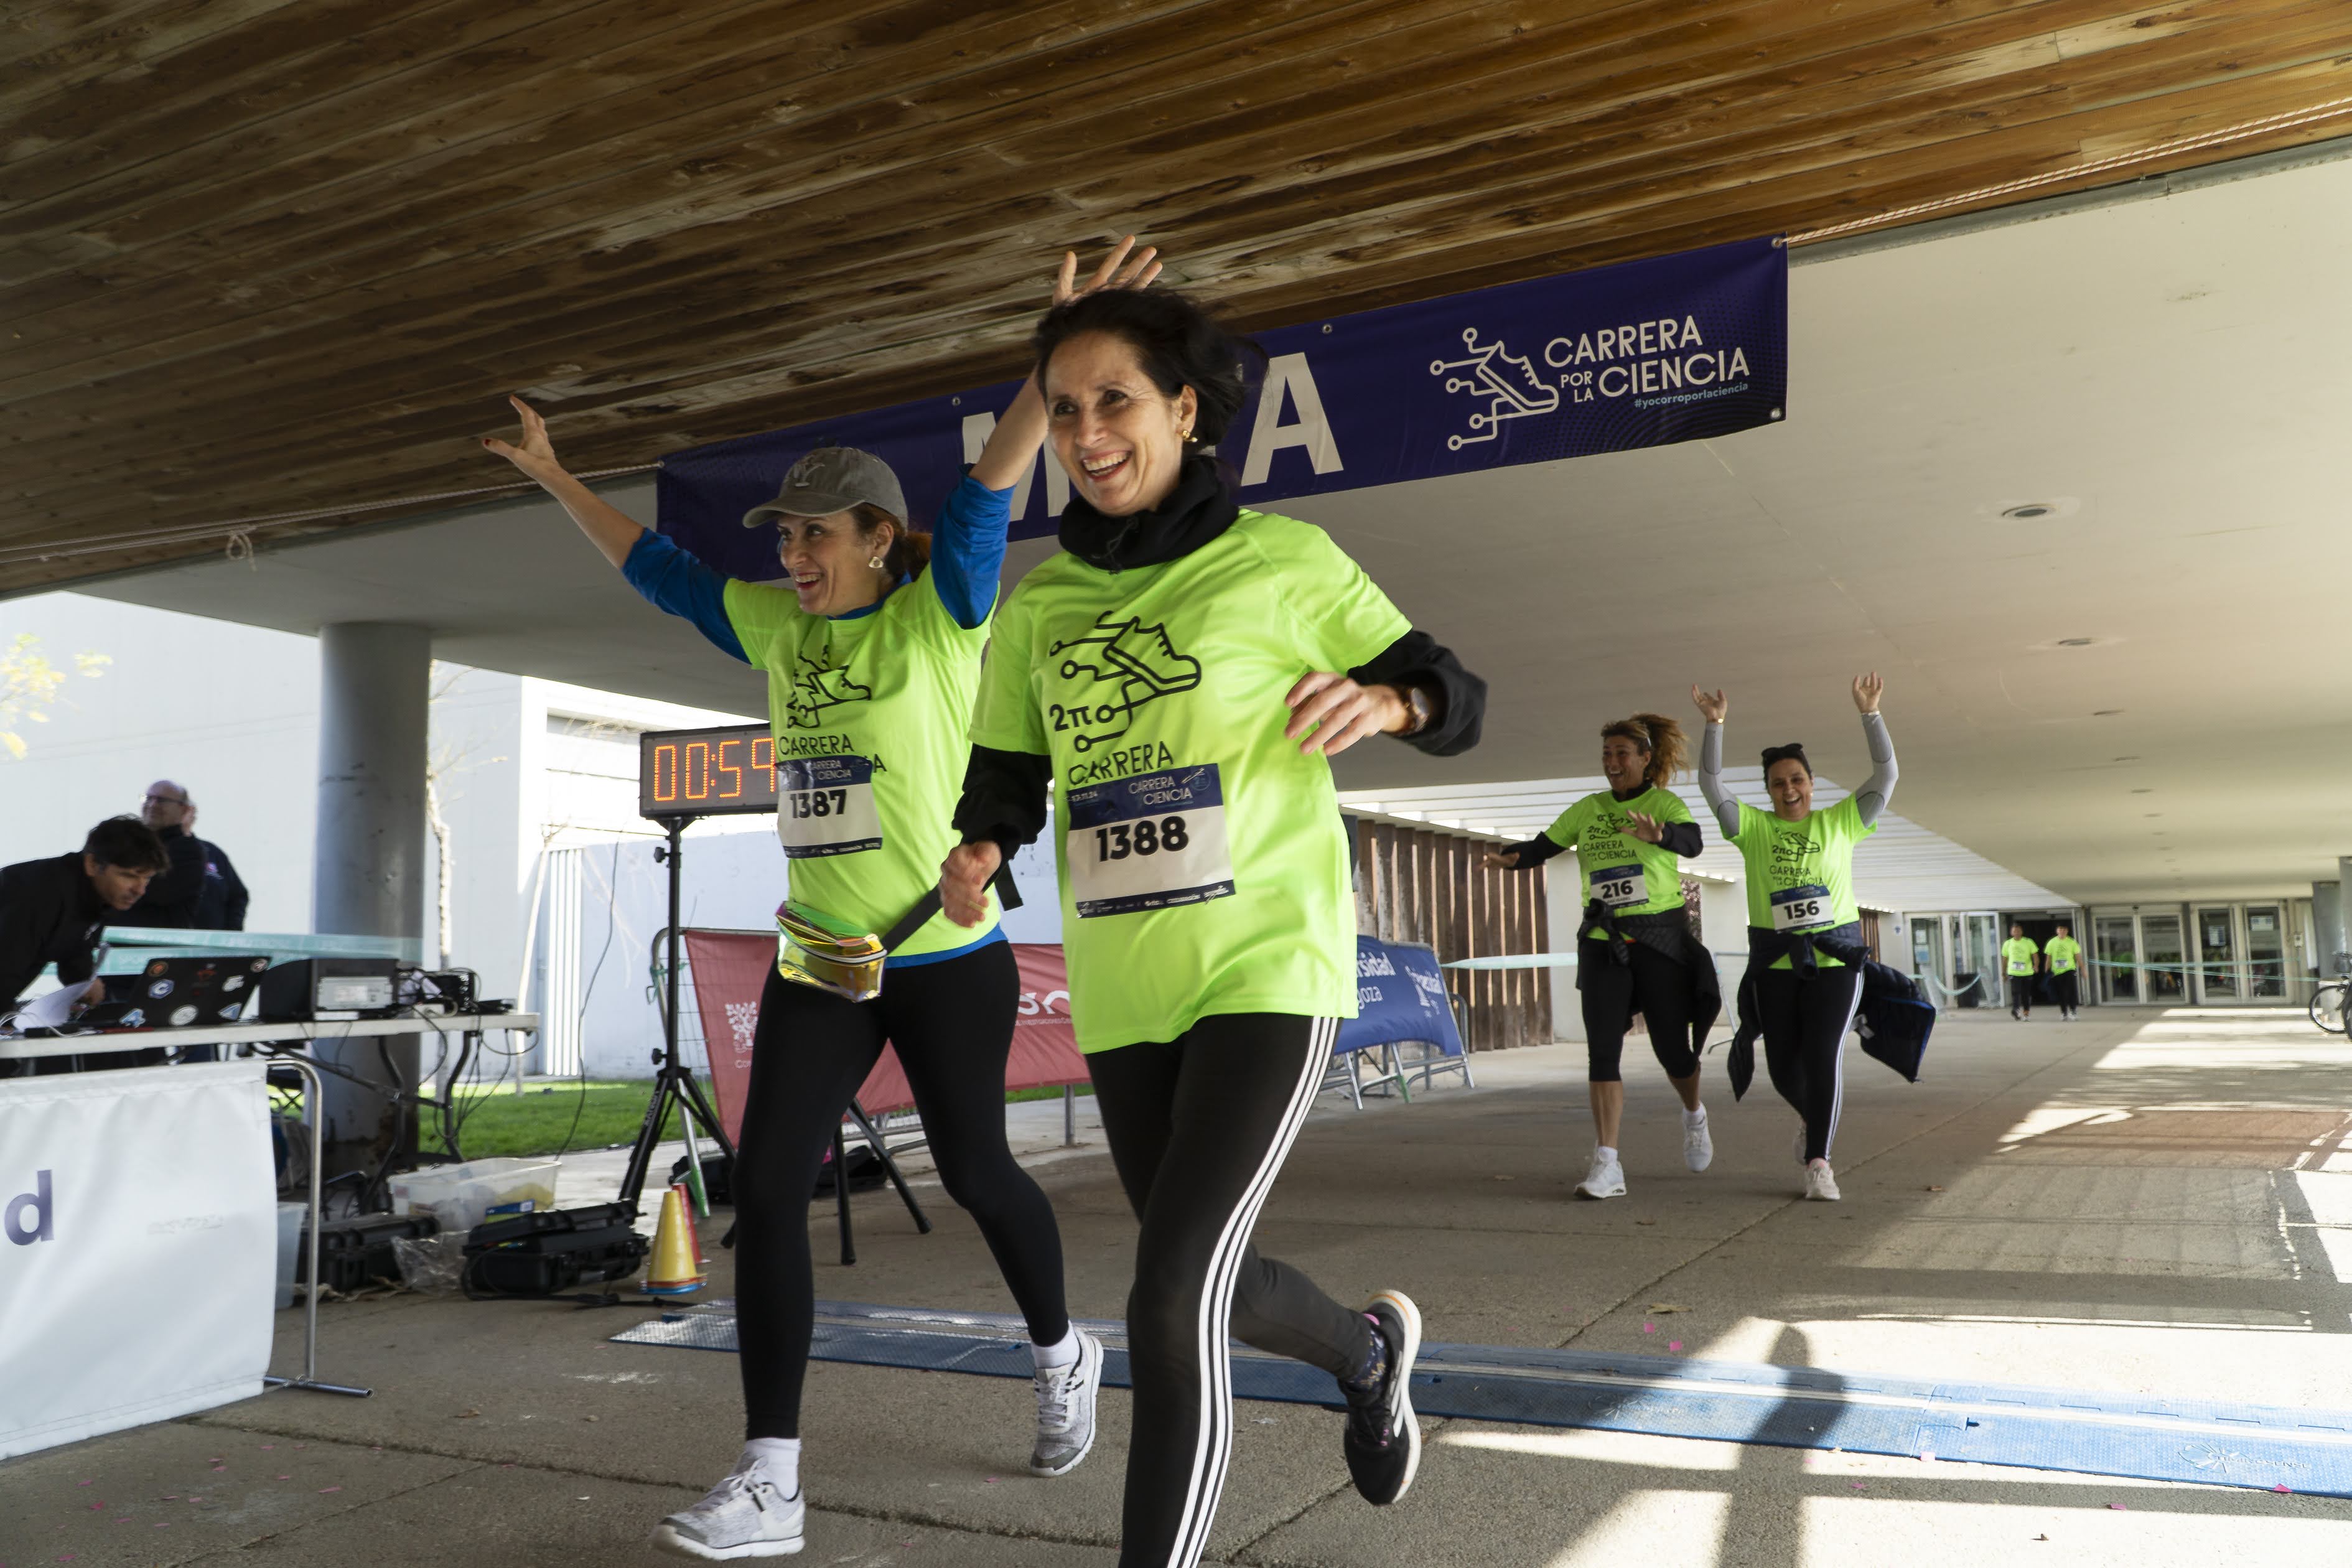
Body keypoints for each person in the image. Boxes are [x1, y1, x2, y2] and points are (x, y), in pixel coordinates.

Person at [484, 240, 1165, 1562]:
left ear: (872, 539)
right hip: (821, 961)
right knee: (772, 1179)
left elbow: (988, 487)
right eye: (782, 536)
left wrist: (1057, 348)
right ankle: (771, 1478)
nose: (791, 553)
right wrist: (557, 475)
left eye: (812, 534)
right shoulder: (773, 625)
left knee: (976, 1170)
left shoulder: (939, 612)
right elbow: (656, 568)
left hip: (943, 950)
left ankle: (1061, 1349)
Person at [940, 282, 1486, 1568]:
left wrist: (1388, 708)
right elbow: (1008, 778)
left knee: (1168, 1289)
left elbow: (1452, 691)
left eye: (1115, 400)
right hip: (1126, 983)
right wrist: (979, 849)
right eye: (1065, 409)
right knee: (1214, 1282)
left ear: (1185, 410)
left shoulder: (1284, 561)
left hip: (1266, 968)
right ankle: (1366, 1352)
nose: (1086, 432)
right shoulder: (1038, 608)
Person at [1483, 714, 1718, 1200]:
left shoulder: (1664, 803)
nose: (1613, 762)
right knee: (1603, 1051)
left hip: (1659, 938)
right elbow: (1543, 847)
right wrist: (1513, 857)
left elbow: (1693, 843)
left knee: (1673, 1051)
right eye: (1607, 755)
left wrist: (1661, 837)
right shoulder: (1588, 809)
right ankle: (1607, 1164)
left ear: (1645, 759)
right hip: (1602, 938)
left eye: (1622, 754)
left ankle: (1694, 1113)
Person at [1692, 675, 1897, 1203]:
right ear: (1768, 790)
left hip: (1835, 960)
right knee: (1784, 1067)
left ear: (1811, 782)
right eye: (1779, 782)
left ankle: (1819, 1163)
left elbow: (1886, 774)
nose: (1790, 790)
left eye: (1798, 779)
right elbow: (1712, 784)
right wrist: (1715, 726)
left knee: (1824, 1056)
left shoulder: (1841, 822)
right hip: (1776, 962)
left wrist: (1870, 714)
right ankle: (1813, 1120)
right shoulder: (1752, 829)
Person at [1, 817, 171, 1075]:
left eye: (147, 878)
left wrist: (84, 980)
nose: (140, 890)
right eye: (129, 876)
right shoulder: (36, 896)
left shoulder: (94, 895)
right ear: (92, 864)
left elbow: (75, 945)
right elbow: (6, 967)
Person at [116, 780, 207, 928]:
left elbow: (152, 893)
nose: (153, 805)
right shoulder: (129, 841)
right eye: (149, 798)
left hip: (155, 945)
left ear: (183, 810)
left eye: (162, 800)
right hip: (114, 940)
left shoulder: (189, 851)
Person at [186, 803, 251, 931]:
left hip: (212, 944)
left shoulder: (212, 852)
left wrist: (230, 935)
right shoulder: (153, 852)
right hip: (164, 944)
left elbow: (238, 896)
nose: (153, 805)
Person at [2001, 922, 2040, 1020]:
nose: (2017, 933)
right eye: (2014, 931)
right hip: (2014, 972)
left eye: (2018, 931)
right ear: (2011, 932)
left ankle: (2026, 1013)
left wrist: (2036, 965)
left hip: (2027, 972)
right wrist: (2003, 973)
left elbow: (2035, 955)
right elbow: (2005, 959)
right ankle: (2016, 1009)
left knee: (2026, 994)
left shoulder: (2028, 942)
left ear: (2022, 932)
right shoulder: (2008, 943)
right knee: (2016, 992)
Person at [2046, 922, 2083, 1020]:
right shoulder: (2052, 942)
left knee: (2072, 991)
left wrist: (2083, 969)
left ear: (2067, 931)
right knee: (2061, 993)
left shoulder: (2072, 942)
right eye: (2060, 929)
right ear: (2057, 931)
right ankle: (2064, 1012)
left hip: (2069, 969)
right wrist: (2047, 970)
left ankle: (2073, 1011)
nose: (2062, 931)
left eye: (2064, 930)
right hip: (2057, 971)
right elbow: (2049, 958)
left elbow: (2078, 956)